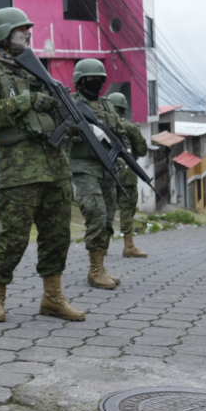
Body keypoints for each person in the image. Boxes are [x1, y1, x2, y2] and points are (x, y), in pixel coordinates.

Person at [0, 8, 85, 323]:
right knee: (15, 237)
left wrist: (74, 124)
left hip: (55, 167)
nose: (28, 33)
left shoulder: (38, 72)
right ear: (3, 34)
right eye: (21, 29)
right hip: (20, 172)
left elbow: (59, 114)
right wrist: (27, 101)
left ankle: (52, 297)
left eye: (28, 29)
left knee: (57, 235)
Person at [69, 59, 125, 288]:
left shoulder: (107, 105)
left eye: (100, 80)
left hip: (107, 168)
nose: (97, 84)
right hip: (83, 167)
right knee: (96, 214)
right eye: (92, 80)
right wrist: (87, 131)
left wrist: (119, 144)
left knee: (108, 219)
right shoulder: (70, 103)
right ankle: (95, 270)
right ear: (80, 81)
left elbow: (119, 129)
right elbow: (63, 132)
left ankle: (100, 267)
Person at [105, 92, 148, 258]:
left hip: (106, 172)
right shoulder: (128, 126)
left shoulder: (99, 124)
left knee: (106, 209)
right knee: (126, 210)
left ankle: (102, 246)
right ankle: (128, 245)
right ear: (124, 108)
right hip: (126, 174)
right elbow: (142, 150)